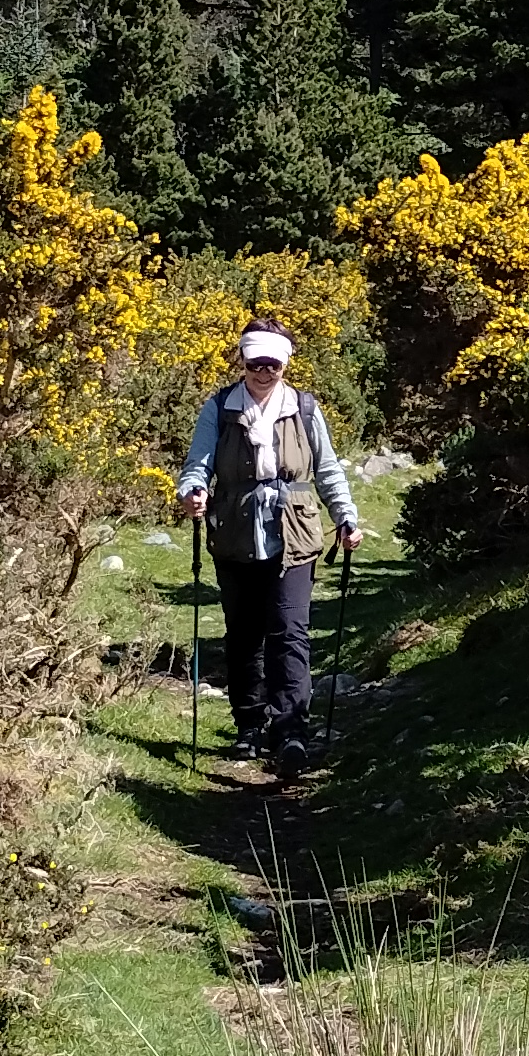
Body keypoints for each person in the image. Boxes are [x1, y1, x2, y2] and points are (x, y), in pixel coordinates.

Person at [177, 323, 362, 769]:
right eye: (255, 363)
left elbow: (328, 469)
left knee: (290, 632)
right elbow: (197, 463)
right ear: (243, 362)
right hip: (235, 534)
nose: (264, 372)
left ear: (285, 364)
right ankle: (248, 726)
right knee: (243, 634)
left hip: (295, 535)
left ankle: (291, 729)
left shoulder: (303, 407)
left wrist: (346, 517)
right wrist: (192, 492)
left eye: (272, 364)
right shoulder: (220, 407)